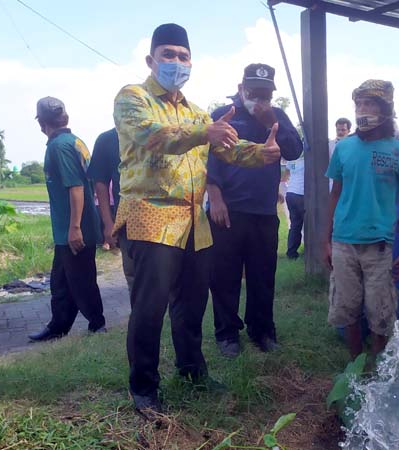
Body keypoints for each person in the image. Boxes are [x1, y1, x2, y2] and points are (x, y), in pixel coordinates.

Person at [112, 23, 281, 417]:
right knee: (149, 308)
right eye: (168, 54)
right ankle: (144, 387)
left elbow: (229, 149)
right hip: (151, 217)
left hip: (193, 223)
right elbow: (155, 136)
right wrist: (205, 131)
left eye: (183, 56)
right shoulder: (133, 98)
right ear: (151, 59)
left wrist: (262, 154)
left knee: (191, 305)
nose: (176, 62)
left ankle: (192, 372)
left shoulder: (195, 111)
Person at [206, 63, 303, 358]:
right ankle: (227, 334)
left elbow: (294, 151)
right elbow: (206, 159)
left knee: (263, 274)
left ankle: (262, 330)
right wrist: (215, 196)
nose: (258, 99)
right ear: (240, 89)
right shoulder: (223, 115)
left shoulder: (277, 116)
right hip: (228, 209)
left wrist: (270, 118)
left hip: (263, 211)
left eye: (264, 94)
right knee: (225, 275)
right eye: (253, 92)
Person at [324, 80, 399, 359]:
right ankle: (355, 364)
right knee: (347, 307)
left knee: (380, 311)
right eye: (359, 104)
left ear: (386, 110)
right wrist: (324, 239)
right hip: (343, 242)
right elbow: (335, 194)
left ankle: (377, 365)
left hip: (380, 245)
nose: (363, 109)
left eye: (370, 103)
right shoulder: (344, 148)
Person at [28, 97, 106, 342]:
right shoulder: (74, 141)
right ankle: (58, 326)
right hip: (69, 229)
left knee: (81, 281)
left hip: (74, 229)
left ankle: (97, 325)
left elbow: (76, 188)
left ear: (41, 123)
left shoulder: (59, 146)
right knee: (61, 281)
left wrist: (74, 228)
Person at [87, 127, 134, 290]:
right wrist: (108, 224)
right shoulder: (108, 139)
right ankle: (139, 314)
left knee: (171, 282)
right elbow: (100, 183)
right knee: (134, 278)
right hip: (129, 222)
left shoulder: (163, 132)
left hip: (167, 220)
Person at [284, 154, 305, 260]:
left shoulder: (291, 159)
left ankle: (291, 252)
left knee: (295, 225)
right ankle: (311, 250)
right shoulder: (306, 161)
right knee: (310, 225)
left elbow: (286, 176)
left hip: (290, 193)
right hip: (302, 194)